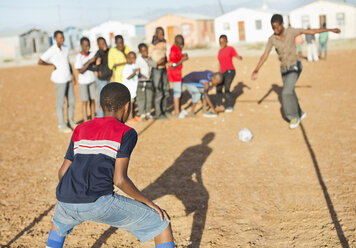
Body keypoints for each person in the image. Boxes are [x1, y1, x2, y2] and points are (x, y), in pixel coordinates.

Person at [45, 83, 174, 248]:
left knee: (58, 224)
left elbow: (63, 171)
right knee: (160, 223)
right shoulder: (126, 133)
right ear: (127, 106)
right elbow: (119, 180)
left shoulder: (80, 129)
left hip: (65, 199)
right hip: (98, 202)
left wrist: (66, 201)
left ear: (99, 106)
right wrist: (149, 203)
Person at [251, 14, 340, 129]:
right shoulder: (272, 39)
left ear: (282, 24)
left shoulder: (291, 31)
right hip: (284, 69)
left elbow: (310, 31)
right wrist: (256, 69)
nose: (276, 30)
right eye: (273, 28)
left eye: (277, 27)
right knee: (290, 91)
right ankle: (300, 113)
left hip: (295, 66)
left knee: (285, 92)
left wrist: (329, 30)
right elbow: (265, 54)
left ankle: (293, 116)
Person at [38, 30, 77, 133]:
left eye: (63, 37)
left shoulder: (65, 48)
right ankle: (62, 125)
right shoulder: (52, 50)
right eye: (60, 38)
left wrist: (73, 75)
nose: (62, 39)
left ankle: (71, 121)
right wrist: (52, 64)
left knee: (71, 101)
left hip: (68, 78)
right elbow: (40, 61)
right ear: (55, 38)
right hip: (59, 80)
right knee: (61, 103)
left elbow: (68, 62)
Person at [217, 34, 243, 113]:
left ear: (226, 41)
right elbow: (220, 62)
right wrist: (218, 72)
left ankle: (230, 106)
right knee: (218, 88)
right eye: (220, 42)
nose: (221, 44)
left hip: (230, 71)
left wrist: (239, 57)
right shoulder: (220, 51)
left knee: (227, 88)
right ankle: (220, 105)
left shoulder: (230, 49)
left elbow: (236, 55)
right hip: (222, 72)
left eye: (223, 42)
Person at [74, 37, 97, 122]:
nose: (87, 48)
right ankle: (85, 119)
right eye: (85, 46)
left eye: (89, 46)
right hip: (83, 82)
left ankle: (93, 117)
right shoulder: (78, 57)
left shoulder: (92, 54)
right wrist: (89, 62)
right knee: (85, 101)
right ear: (81, 46)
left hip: (92, 80)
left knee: (92, 99)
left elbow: (95, 66)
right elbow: (80, 70)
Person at [149, 27, 169, 120]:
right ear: (156, 34)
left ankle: (164, 110)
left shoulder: (164, 41)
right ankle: (158, 113)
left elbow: (165, 53)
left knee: (165, 90)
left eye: (163, 34)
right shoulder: (153, 44)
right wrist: (156, 64)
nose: (162, 36)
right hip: (156, 70)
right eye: (161, 34)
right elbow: (148, 59)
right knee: (158, 91)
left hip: (164, 68)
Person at [167, 35, 189, 117]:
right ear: (176, 43)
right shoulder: (173, 52)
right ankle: (177, 112)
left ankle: (179, 110)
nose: (182, 46)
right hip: (174, 75)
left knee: (180, 92)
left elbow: (177, 59)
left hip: (178, 74)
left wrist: (182, 56)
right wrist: (182, 60)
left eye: (183, 44)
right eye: (180, 44)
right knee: (177, 93)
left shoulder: (178, 49)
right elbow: (173, 66)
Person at [93, 37, 112, 117]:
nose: (104, 45)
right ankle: (100, 116)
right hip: (102, 80)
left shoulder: (109, 51)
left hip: (108, 79)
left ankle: (107, 116)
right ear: (98, 45)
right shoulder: (98, 53)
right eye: (102, 44)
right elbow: (95, 66)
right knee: (101, 99)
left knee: (108, 98)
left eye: (105, 43)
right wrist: (97, 66)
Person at [136, 43, 156, 120]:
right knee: (141, 98)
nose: (145, 52)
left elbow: (154, 66)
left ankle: (148, 113)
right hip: (142, 81)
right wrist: (146, 77)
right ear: (140, 52)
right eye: (143, 51)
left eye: (146, 50)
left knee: (149, 98)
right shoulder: (138, 60)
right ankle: (142, 114)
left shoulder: (150, 58)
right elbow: (138, 72)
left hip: (149, 82)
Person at [122, 51, 140, 122]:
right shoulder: (126, 67)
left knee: (133, 103)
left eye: (134, 57)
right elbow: (128, 77)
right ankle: (130, 117)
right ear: (128, 58)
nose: (133, 59)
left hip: (133, 88)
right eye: (131, 58)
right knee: (130, 103)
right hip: (129, 88)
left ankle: (133, 115)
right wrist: (134, 72)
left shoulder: (134, 65)